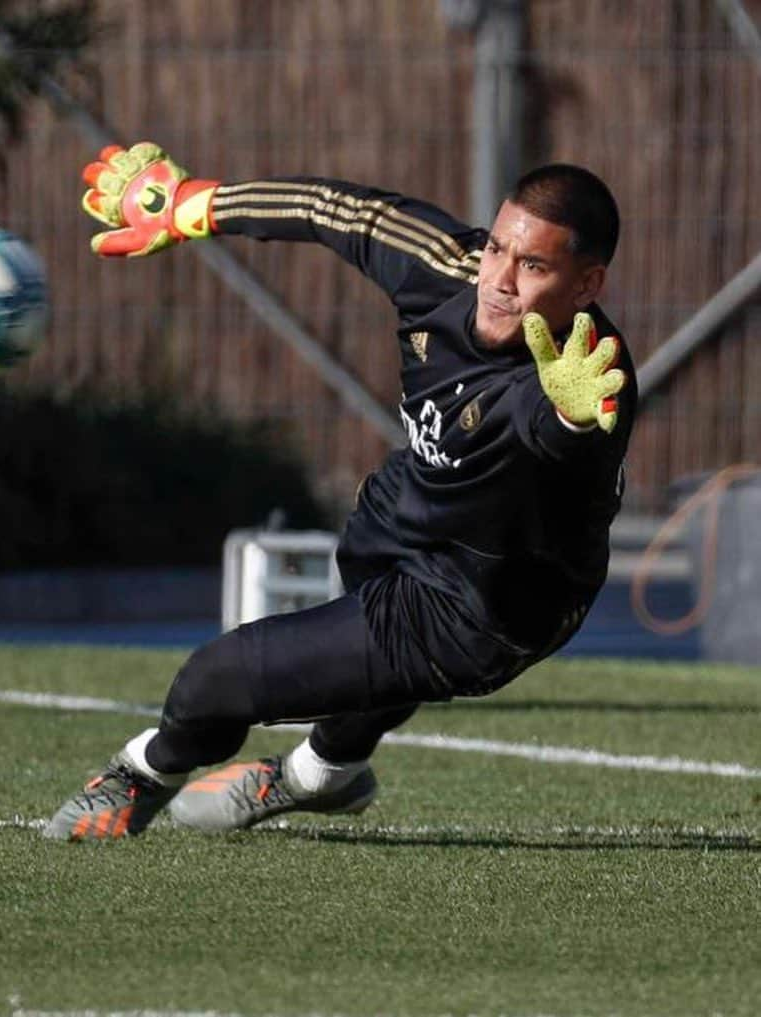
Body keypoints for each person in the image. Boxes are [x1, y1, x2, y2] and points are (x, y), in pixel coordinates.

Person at [44, 141, 637, 840]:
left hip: (485, 601)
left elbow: (563, 439)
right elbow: (338, 211)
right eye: (498, 248)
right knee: (365, 592)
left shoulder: (586, 376)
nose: (499, 279)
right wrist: (195, 206)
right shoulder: (450, 265)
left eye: (533, 265)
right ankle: (330, 773)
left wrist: (571, 418)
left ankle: (143, 774)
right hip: (414, 504)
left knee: (214, 681)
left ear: (587, 285)